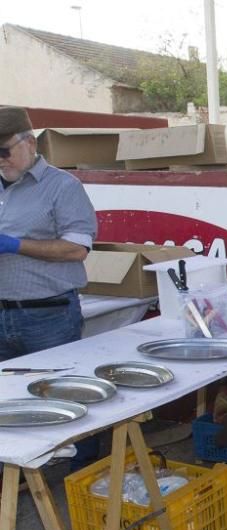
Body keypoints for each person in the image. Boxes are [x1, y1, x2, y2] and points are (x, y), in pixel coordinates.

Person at [0, 106, 100, 470]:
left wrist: (14, 244)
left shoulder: (62, 186)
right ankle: (21, 473)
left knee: (69, 400)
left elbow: (77, 248)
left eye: (3, 152)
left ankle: (85, 478)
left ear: (29, 142)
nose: (0, 161)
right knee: (7, 403)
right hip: (2, 313)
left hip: (48, 315)